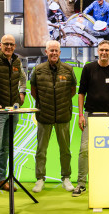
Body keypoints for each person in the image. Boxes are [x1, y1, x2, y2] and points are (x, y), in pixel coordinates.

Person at [75, 40, 109, 196]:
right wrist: (81, 115)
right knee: (84, 150)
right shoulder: (88, 68)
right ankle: (81, 184)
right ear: (97, 51)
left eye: (107, 50)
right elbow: (81, 93)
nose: (104, 52)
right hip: (90, 115)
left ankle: (107, 182)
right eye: (102, 50)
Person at [29, 40, 76, 194]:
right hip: (44, 116)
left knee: (65, 150)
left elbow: (73, 90)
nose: (54, 53)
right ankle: (40, 179)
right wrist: (44, 104)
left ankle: (66, 178)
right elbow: (33, 91)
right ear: (46, 52)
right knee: (41, 150)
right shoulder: (38, 70)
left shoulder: (68, 70)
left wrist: (62, 103)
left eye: (56, 50)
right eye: (51, 50)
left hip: (63, 115)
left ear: (60, 53)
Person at [0, 34, 27, 199]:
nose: (9, 47)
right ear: (0, 45)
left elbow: (23, 78)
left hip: (13, 110)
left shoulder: (17, 62)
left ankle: (1, 180)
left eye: (11, 44)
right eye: (6, 44)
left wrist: (22, 93)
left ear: (14, 47)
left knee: (6, 147)